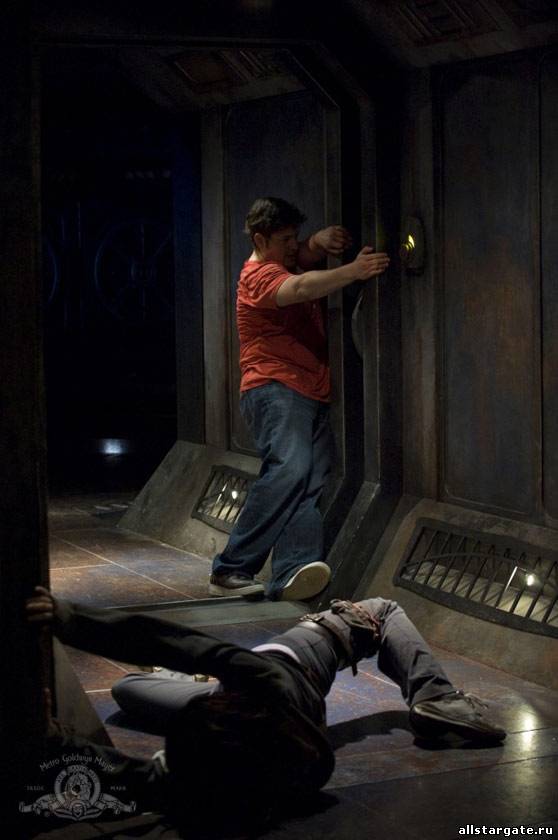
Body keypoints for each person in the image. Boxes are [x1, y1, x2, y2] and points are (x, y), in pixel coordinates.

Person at [25, 586, 505, 833]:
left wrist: (54, 740)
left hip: (247, 707)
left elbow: (125, 777)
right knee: (381, 609)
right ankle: (435, 696)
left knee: (128, 688)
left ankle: (193, 687)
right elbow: (188, 645)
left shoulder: (199, 780)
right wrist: (72, 620)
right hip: (296, 662)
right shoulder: (266, 692)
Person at [209, 197, 390, 600]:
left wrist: (318, 241)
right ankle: (231, 567)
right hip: (275, 386)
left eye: (295, 237)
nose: (294, 246)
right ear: (260, 240)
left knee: (308, 479)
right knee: (290, 470)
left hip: (307, 389)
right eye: (285, 239)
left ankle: (292, 570)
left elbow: (302, 258)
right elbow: (302, 286)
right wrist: (353, 270)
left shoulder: (283, 260)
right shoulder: (257, 276)